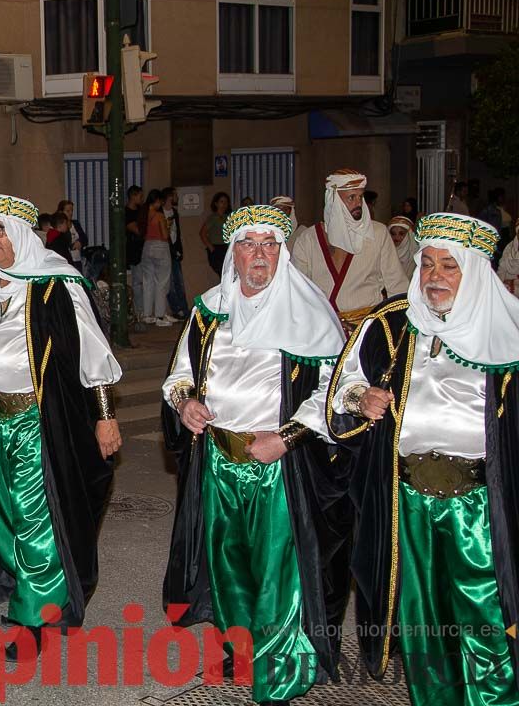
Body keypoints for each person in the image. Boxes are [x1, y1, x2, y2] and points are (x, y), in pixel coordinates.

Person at [162, 205, 351, 706]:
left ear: (282, 252)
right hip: (219, 462)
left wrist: (286, 437)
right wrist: (186, 404)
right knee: (228, 563)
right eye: (248, 244)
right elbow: (178, 375)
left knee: (276, 568)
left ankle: (282, 664)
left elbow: (335, 389)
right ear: (233, 253)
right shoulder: (207, 311)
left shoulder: (307, 312)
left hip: (276, 464)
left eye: (270, 244)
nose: (259, 255)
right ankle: (240, 649)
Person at [327, 214, 519, 706]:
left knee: (487, 618)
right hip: (407, 501)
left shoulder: (509, 336)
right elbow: (344, 382)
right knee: (421, 619)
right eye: (427, 263)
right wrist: (359, 399)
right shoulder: (394, 324)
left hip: (478, 506)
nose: (433, 276)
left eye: (449, 266)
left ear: (475, 272)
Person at [0, 194, 122, 661]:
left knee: (35, 514)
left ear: (20, 233)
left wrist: (104, 415)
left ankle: (36, 614)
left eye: (1, 230)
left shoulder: (55, 285)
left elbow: (93, 351)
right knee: (1, 509)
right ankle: (27, 584)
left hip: (38, 420)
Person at [291, 170, 410, 334]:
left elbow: (397, 286)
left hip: (368, 330)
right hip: (323, 330)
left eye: (360, 197)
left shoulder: (378, 233)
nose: (358, 203)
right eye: (351, 198)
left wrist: (396, 328)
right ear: (333, 200)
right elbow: (298, 290)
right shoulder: (308, 239)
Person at [139, 189, 174, 326]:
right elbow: (165, 236)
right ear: (158, 201)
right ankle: (159, 316)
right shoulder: (159, 215)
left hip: (147, 247)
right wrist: (168, 226)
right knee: (162, 282)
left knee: (148, 281)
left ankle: (147, 315)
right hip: (160, 247)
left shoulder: (143, 213)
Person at [162, 187, 188, 320]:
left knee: (179, 280)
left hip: (174, 249)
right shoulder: (160, 212)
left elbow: (177, 232)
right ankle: (177, 309)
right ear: (169, 197)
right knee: (170, 282)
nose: (177, 197)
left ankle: (183, 308)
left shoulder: (175, 212)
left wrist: (179, 249)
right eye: (175, 195)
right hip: (165, 249)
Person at [200, 192, 231, 275]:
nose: (224, 204)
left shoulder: (228, 217)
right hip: (216, 248)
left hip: (226, 248)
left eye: (226, 202)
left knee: (228, 274)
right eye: (222, 202)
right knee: (222, 273)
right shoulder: (213, 218)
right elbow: (202, 233)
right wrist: (212, 248)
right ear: (216, 204)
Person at [125, 185, 146, 309]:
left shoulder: (141, 210)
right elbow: (137, 230)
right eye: (140, 196)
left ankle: (145, 309)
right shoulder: (127, 212)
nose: (142, 199)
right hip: (134, 249)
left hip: (144, 248)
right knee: (137, 281)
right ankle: (139, 310)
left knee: (145, 281)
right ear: (133, 196)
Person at [56, 199, 88, 271]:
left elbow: (85, 238)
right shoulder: (59, 226)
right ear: (61, 212)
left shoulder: (75, 223)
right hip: (67, 260)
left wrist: (80, 242)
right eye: (67, 211)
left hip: (78, 259)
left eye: (71, 211)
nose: (70, 213)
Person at [501, 217, 519, 294]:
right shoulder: (510, 246)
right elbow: (501, 268)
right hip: (507, 287)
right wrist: (501, 284)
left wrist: (513, 283)